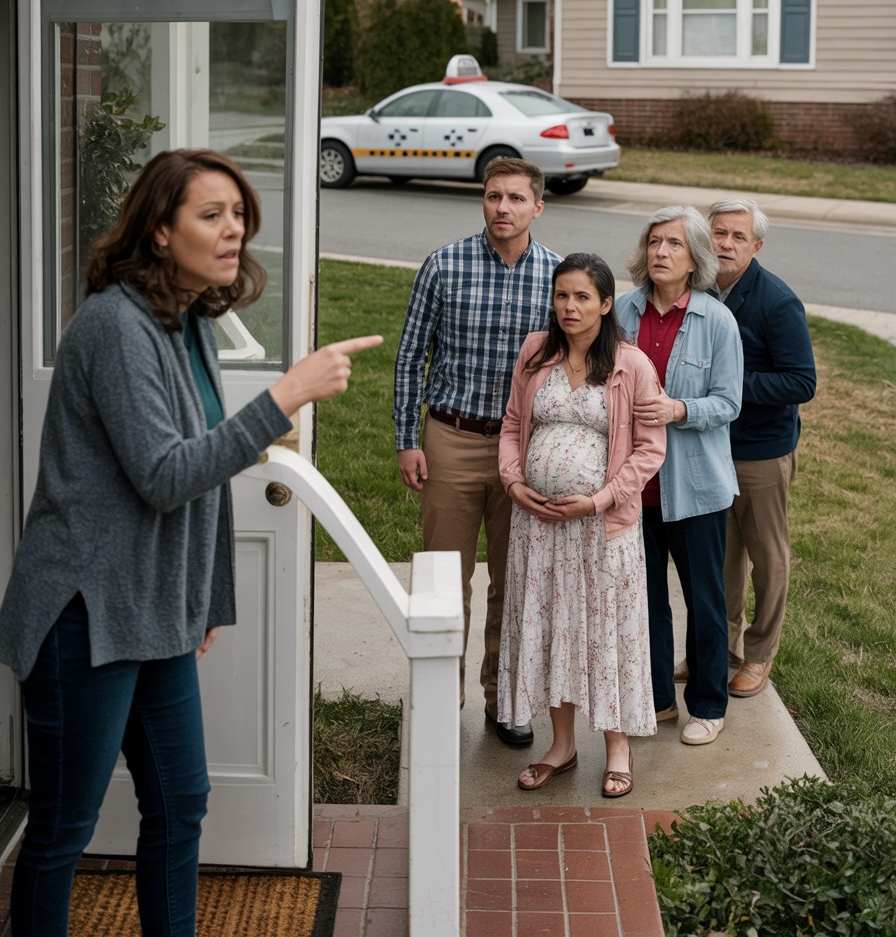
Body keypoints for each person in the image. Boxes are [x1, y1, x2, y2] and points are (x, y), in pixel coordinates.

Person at [0, 148, 381, 937]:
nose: (234, 228)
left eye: (239, 213)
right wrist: (285, 397)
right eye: (212, 214)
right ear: (160, 230)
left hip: (155, 613)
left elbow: (204, 478)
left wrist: (203, 595)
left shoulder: (189, 324)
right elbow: (165, 474)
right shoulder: (113, 326)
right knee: (66, 826)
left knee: (181, 804)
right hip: (84, 613)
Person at [393, 157, 561, 748]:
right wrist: (407, 439)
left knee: (513, 585)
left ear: (538, 206)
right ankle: (443, 703)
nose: (503, 208)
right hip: (452, 440)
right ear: (482, 200)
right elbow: (411, 356)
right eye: (494, 197)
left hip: (525, 450)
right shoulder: (443, 265)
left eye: (516, 198)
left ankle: (505, 701)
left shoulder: (556, 277)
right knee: (445, 579)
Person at [497, 254, 666, 798]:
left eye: (582, 297)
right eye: (562, 295)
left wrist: (597, 501)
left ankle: (617, 746)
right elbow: (513, 424)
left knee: (604, 632)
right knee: (550, 628)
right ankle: (561, 745)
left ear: (606, 303)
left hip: (601, 529)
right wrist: (515, 484)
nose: (569, 307)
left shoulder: (630, 365)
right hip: (538, 526)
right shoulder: (534, 352)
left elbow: (649, 450)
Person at [615, 206, 743, 747]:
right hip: (633, 486)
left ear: (696, 259)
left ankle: (708, 705)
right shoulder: (621, 312)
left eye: (674, 244)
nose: (661, 253)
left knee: (704, 600)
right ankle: (658, 699)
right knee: (643, 600)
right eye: (654, 243)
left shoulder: (717, 321)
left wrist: (679, 410)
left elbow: (729, 402)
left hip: (696, 488)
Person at [706, 198, 816, 697]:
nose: (726, 244)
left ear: (756, 245)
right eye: (719, 233)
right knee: (722, 557)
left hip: (762, 453)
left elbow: (801, 381)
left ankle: (759, 654)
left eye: (737, 237)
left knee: (767, 558)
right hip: (709, 449)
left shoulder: (777, 301)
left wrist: (730, 386)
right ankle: (720, 647)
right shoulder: (702, 288)